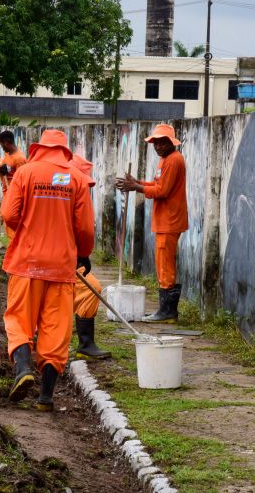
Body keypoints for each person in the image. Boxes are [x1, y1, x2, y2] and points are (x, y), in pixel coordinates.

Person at [2, 129, 95, 411]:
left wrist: (28, 229)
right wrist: (83, 253)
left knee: (20, 319)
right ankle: (45, 398)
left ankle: (22, 370)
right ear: (64, 152)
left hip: (27, 263)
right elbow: (85, 228)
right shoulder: (77, 179)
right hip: (62, 266)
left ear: (39, 148)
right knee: (56, 329)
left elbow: (8, 214)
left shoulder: (26, 173)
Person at [116, 123, 188, 323]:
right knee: (162, 264)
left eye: (162, 143)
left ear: (171, 143)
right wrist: (136, 183)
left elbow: (162, 191)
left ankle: (167, 312)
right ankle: (166, 311)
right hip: (165, 220)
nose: (158, 146)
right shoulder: (165, 160)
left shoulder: (174, 160)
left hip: (170, 220)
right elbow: (157, 185)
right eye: (155, 143)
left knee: (165, 267)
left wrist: (136, 187)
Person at [69, 154, 111, 360]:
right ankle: (85, 344)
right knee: (90, 289)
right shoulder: (72, 197)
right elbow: (84, 230)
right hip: (61, 260)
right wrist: (82, 254)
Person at [0, 130, 27, 242]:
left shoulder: (20, 159)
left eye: (1, 144)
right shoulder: (7, 155)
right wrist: (1, 169)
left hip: (14, 195)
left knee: (12, 224)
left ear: (6, 143)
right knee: (7, 225)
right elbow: (1, 165)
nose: (1, 147)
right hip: (6, 194)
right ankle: (12, 250)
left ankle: (16, 251)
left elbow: (22, 181)